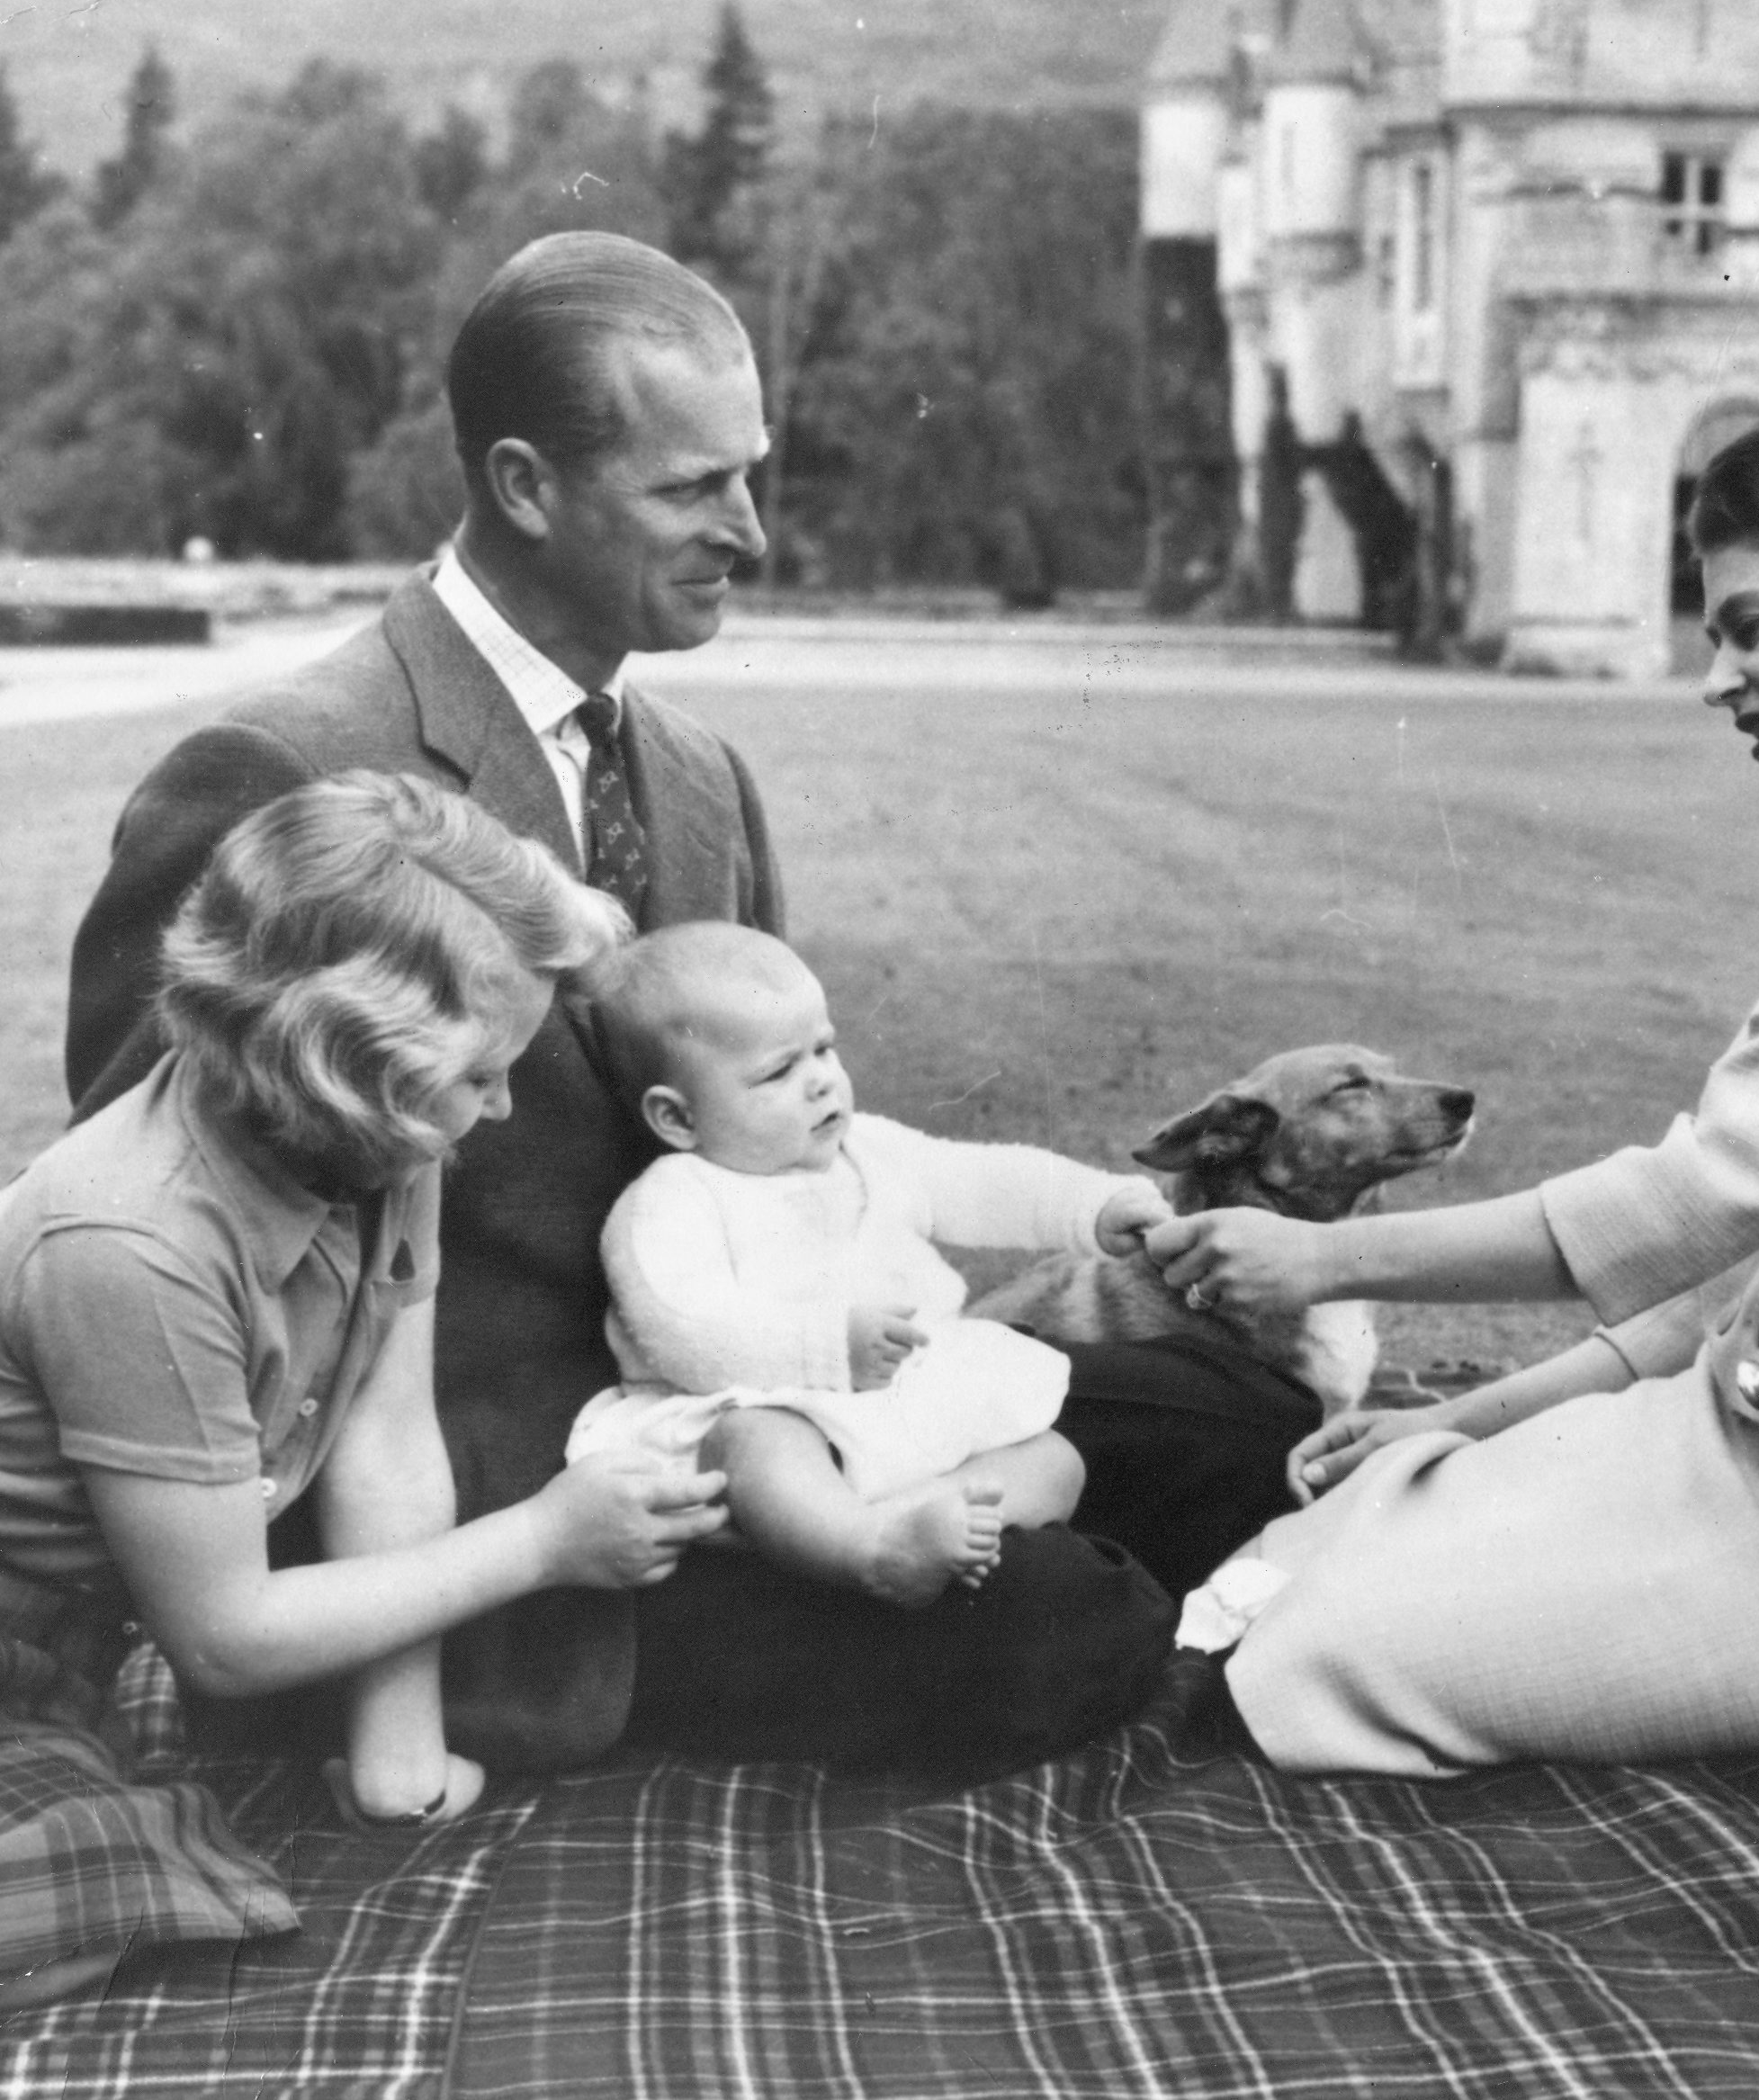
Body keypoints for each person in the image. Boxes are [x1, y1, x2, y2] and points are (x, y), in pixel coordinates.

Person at [60, 230, 1293, 1777]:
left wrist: (881, 1378)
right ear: (522, 484)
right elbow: (151, 1251)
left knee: (1234, 1412)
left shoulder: (702, 780)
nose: (752, 530)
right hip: (503, 1524)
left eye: (749, 473)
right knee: (1064, 1620)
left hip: (760, 1412)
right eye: (691, 488)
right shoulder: (283, 770)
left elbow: (766, 1147)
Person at [1145, 412, 1759, 1772]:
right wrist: (1465, 1414)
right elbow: (1735, 1269)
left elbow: (1697, 1201)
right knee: (1343, 1524)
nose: (1715, 678)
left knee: (1315, 1655)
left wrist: (1321, 1259)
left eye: (1749, 627)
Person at [0, 776, 726, 2015]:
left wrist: (400, 1744)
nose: (498, 1108)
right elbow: (226, 1637)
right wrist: (548, 1538)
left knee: (123, 1861)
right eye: (479, 1076)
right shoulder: (129, 1242)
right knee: (102, 1884)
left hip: (67, 1656)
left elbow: (383, 1435)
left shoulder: (377, 1134)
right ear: (336, 1065)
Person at [571, 923, 1171, 1605]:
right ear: (678, 1119)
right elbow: (680, 1325)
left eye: (823, 1047)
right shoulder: (675, 1199)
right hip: (760, 1403)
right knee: (758, 1445)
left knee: (1056, 1460)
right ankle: (872, 1549)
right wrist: (823, 1346)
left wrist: (1090, 1208)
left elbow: (981, 1179)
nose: (822, 1081)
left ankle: (936, 1523)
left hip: (895, 1408)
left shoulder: (868, 1150)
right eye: (778, 1071)